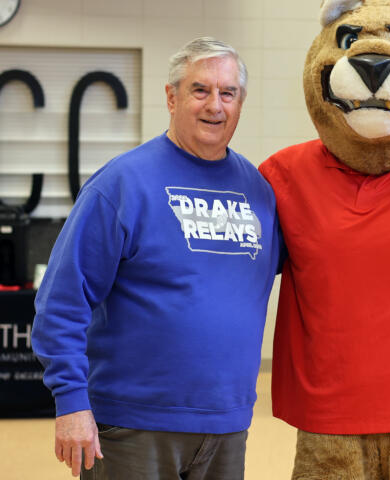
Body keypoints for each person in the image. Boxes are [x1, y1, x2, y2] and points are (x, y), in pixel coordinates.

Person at [32, 37, 281, 479]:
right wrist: (71, 402)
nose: (215, 106)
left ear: (241, 101)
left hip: (227, 425)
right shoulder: (122, 184)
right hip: (132, 425)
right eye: (200, 90)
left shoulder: (258, 191)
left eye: (228, 93)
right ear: (172, 97)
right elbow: (62, 301)